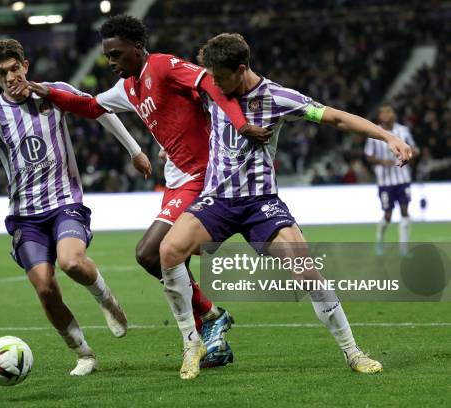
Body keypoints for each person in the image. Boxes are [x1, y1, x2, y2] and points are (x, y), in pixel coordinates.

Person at [158, 33, 414, 379]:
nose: (214, 83)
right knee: (169, 251)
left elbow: (335, 118)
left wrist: (388, 136)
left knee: (305, 267)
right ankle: (192, 344)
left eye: (220, 76)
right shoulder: (211, 88)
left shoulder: (277, 97)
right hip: (217, 199)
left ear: (241, 68)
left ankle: (353, 352)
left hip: (260, 202)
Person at [31, 15, 271, 373]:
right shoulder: (127, 87)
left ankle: (210, 316)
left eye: (116, 54)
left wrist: (240, 124)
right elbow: (93, 107)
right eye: (107, 56)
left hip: (201, 176)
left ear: (137, 47)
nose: (110, 62)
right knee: (174, 261)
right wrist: (52, 94)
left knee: (150, 254)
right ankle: (214, 336)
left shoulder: (163, 65)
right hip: (176, 180)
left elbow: (210, 83)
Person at [0, 39, 152, 376]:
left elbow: (99, 111)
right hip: (25, 216)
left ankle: (107, 300)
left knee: (72, 263)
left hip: (65, 203)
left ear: (25, 66)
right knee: (46, 288)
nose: (10, 77)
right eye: (2, 72)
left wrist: (135, 150)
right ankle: (84, 355)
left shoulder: (54, 93)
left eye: (14, 69)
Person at [365, 104, 419, 256]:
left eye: (390, 111)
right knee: (388, 214)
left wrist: (413, 152)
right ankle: (380, 240)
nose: (388, 114)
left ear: (394, 114)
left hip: (403, 178)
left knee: (405, 210)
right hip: (385, 181)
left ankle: (403, 249)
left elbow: (413, 148)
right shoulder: (373, 132)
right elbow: (368, 155)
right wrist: (382, 162)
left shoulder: (403, 130)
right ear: (380, 116)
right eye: (384, 112)